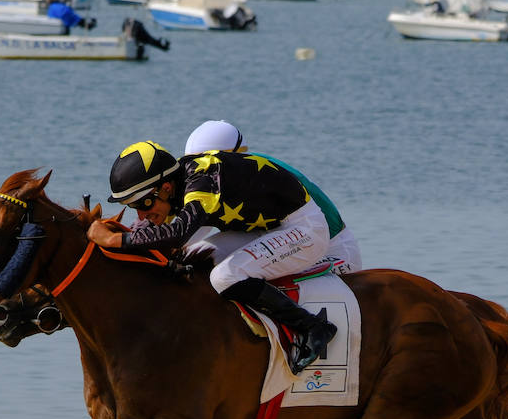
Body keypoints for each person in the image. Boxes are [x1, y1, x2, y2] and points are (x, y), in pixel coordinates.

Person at [88, 140, 338, 374]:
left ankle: (312, 327)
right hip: (265, 230)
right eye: (134, 208)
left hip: (303, 230)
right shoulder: (173, 186)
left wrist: (115, 239)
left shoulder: (203, 181)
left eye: (144, 204)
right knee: (192, 258)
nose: (142, 215)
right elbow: (148, 234)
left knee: (225, 276)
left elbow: (176, 234)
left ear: (165, 188)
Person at [182, 120, 361, 277]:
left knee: (238, 276)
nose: (199, 171)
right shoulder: (215, 181)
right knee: (191, 257)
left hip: (332, 251)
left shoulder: (255, 175)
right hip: (273, 237)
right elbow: (190, 232)